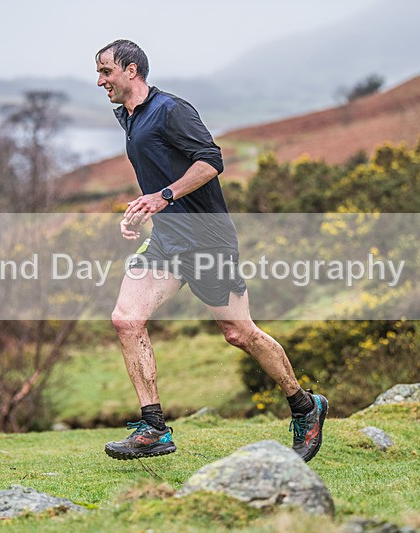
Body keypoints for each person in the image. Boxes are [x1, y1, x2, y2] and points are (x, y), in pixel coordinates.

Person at [95, 39, 328, 462]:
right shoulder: (129, 117)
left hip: (208, 239)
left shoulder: (171, 110)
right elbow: (159, 173)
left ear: (131, 70)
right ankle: (153, 428)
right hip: (167, 239)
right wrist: (142, 211)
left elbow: (210, 161)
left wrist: (164, 195)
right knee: (126, 319)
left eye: (106, 71)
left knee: (239, 333)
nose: (100, 80)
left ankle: (305, 406)